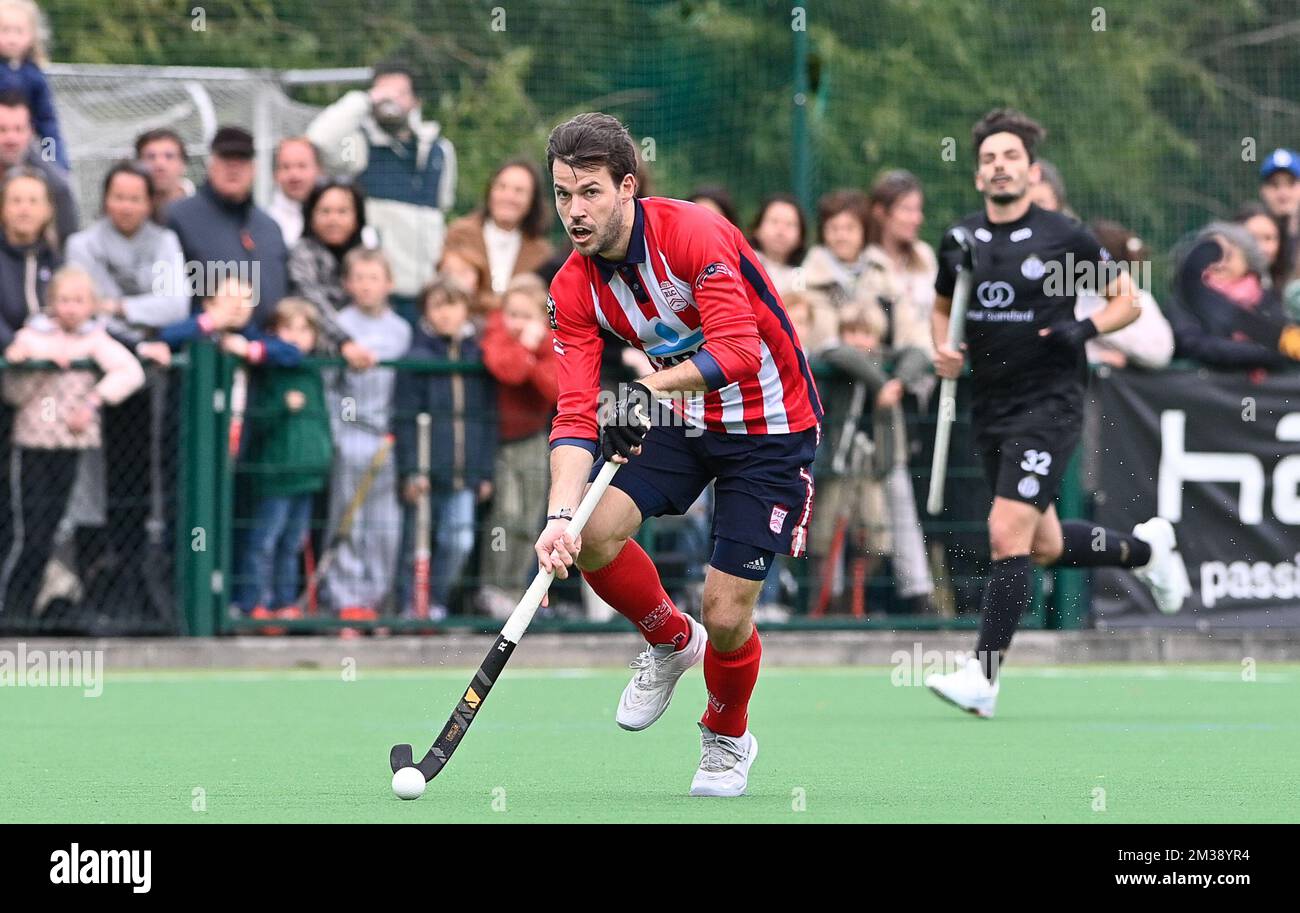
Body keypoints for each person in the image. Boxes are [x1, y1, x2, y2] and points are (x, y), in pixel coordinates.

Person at [537, 113, 822, 797]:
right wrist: (559, 515)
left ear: (627, 186)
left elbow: (736, 349)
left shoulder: (694, 234)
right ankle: (669, 639)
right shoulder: (571, 288)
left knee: (727, 612)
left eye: (591, 193)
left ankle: (727, 736)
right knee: (593, 533)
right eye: (562, 194)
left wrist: (642, 389)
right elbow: (576, 412)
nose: (574, 211)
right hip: (683, 413)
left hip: (771, 426)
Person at [923, 109, 1187, 719]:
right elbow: (942, 308)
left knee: (1004, 531)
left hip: (1049, 405)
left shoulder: (1064, 237)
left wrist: (1080, 329)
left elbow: (1125, 303)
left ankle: (983, 677)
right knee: (1037, 543)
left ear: (1030, 169)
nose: (999, 167)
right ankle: (1148, 554)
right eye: (988, 159)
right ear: (977, 176)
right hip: (988, 406)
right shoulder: (960, 238)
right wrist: (942, 346)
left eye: (1010, 157)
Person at [1, 266, 144, 621]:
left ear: (91, 306)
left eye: (79, 301)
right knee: (28, 536)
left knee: (50, 530)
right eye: (64, 300)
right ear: (52, 304)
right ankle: (10, 610)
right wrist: (38, 366)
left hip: (69, 447)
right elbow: (13, 393)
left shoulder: (95, 339)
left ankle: (28, 614)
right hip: (32, 446)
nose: (71, 308)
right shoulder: (32, 338)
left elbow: (131, 372)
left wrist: (94, 401)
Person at [307, 62, 457, 309]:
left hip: (427, 297)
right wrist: (363, 101)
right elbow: (319, 140)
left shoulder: (440, 151)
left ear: (416, 101)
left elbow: (443, 208)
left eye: (399, 93)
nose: (390, 100)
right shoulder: (360, 147)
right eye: (382, 92)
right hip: (377, 297)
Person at [394, 278, 496, 619]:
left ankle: (435, 600)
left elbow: (485, 418)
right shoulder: (415, 357)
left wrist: (483, 473)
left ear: (466, 310)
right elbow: (405, 420)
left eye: (453, 305)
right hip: (426, 471)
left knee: (459, 541)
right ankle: (411, 605)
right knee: (415, 543)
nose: (446, 314)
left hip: (464, 474)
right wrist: (410, 470)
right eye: (438, 305)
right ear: (426, 311)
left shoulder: (477, 357)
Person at [320, 248, 411, 623]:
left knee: (384, 525)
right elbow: (328, 388)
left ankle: (376, 603)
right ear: (347, 284)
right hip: (350, 437)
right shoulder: (338, 326)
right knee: (348, 519)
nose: (366, 285)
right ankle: (346, 602)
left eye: (374, 277)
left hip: (387, 442)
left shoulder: (402, 330)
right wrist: (337, 436)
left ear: (389, 283)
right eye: (358, 277)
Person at [234, 298, 332, 627]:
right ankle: (254, 602)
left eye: (304, 330)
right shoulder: (267, 372)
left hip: (306, 474)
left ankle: (284, 602)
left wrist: (322, 458)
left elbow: (320, 423)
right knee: (264, 540)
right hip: (274, 473)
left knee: (292, 542)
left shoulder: (313, 371)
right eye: (287, 329)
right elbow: (255, 422)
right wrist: (281, 407)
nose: (296, 337)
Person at [478, 272, 558, 617]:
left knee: (529, 519)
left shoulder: (549, 341)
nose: (517, 323)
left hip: (533, 439)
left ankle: (515, 588)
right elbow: (506, 369)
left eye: (526, 316)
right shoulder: (496, 334)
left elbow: (555, 389)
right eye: (512, 314)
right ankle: (492, 587)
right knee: (505, 516)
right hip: (498, 442)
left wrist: (532, 355)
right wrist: (526, 349)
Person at [167, 126, 289, 323]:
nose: (233, 168)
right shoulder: (178, 217)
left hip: (267, 347)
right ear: (211, 165)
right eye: (226, 160)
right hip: (204, 348)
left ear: (253, 169)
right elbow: (164, 290)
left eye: (241, 161)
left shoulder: (269, 227)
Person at [1170, 221, 1298, 371]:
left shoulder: (1268, 300)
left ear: (1247, 260)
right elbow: (1193, 344)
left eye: (1228, 255)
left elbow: (1285, 344)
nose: (1218, 263)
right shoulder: (1185, 300)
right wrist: (1261, 352)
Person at [287, 178, 377, 369]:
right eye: (325, 211)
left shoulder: (367, 257)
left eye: (342, 211)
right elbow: (310, 299)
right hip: (314, 361)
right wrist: (344, 342)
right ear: (311, 216)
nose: (333, 219)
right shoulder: (302, 253)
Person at [443, 158, 553, 304]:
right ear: (490, 191)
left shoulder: (542, 253)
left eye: (519, 191)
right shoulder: (460, 235)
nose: (508, 197)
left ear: (532, 201)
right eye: (501, 187)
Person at [1074, 220, 1174, 369]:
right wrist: (1095, 358)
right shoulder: (1075, 299)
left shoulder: (1141, 300)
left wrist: (1099, 326)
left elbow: (1160, 353)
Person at [0, 91, 75, 243]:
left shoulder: (55, 185)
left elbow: (67, 242)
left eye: (19, 129)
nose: (11, 138)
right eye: (2, 129)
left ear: (31, 132)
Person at [0, 0, 66, 171]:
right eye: (5, 30)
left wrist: (54, 162)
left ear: (31, 35)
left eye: (18, 31)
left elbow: (47, 127)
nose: (12, 38)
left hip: (24, 153)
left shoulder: (35, 77)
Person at [267, 137, 323, 247]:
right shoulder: (266, 225)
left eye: (302, 166)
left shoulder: (336, 222)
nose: (294, 175)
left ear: (319, 170)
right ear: (275, 175)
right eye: (286, 167)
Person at [748, 192, 807, 295]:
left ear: (800, 237)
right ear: (757, 229)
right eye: (774, 221)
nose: (781, 230)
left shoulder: (799, 274)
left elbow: (798, 301)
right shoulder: (745, 263)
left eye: (790, 224)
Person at [1258, 148, 1300, 281]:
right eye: (1274, 185)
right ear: (1263, 190)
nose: (1283, 193)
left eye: (1290, 183)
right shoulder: (1250, 233)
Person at [134, 129, 194, 218]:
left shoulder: (206, 209)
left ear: (183, 164)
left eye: (169, 156)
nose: (159, 164)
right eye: (151, 157)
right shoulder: (127, 214)